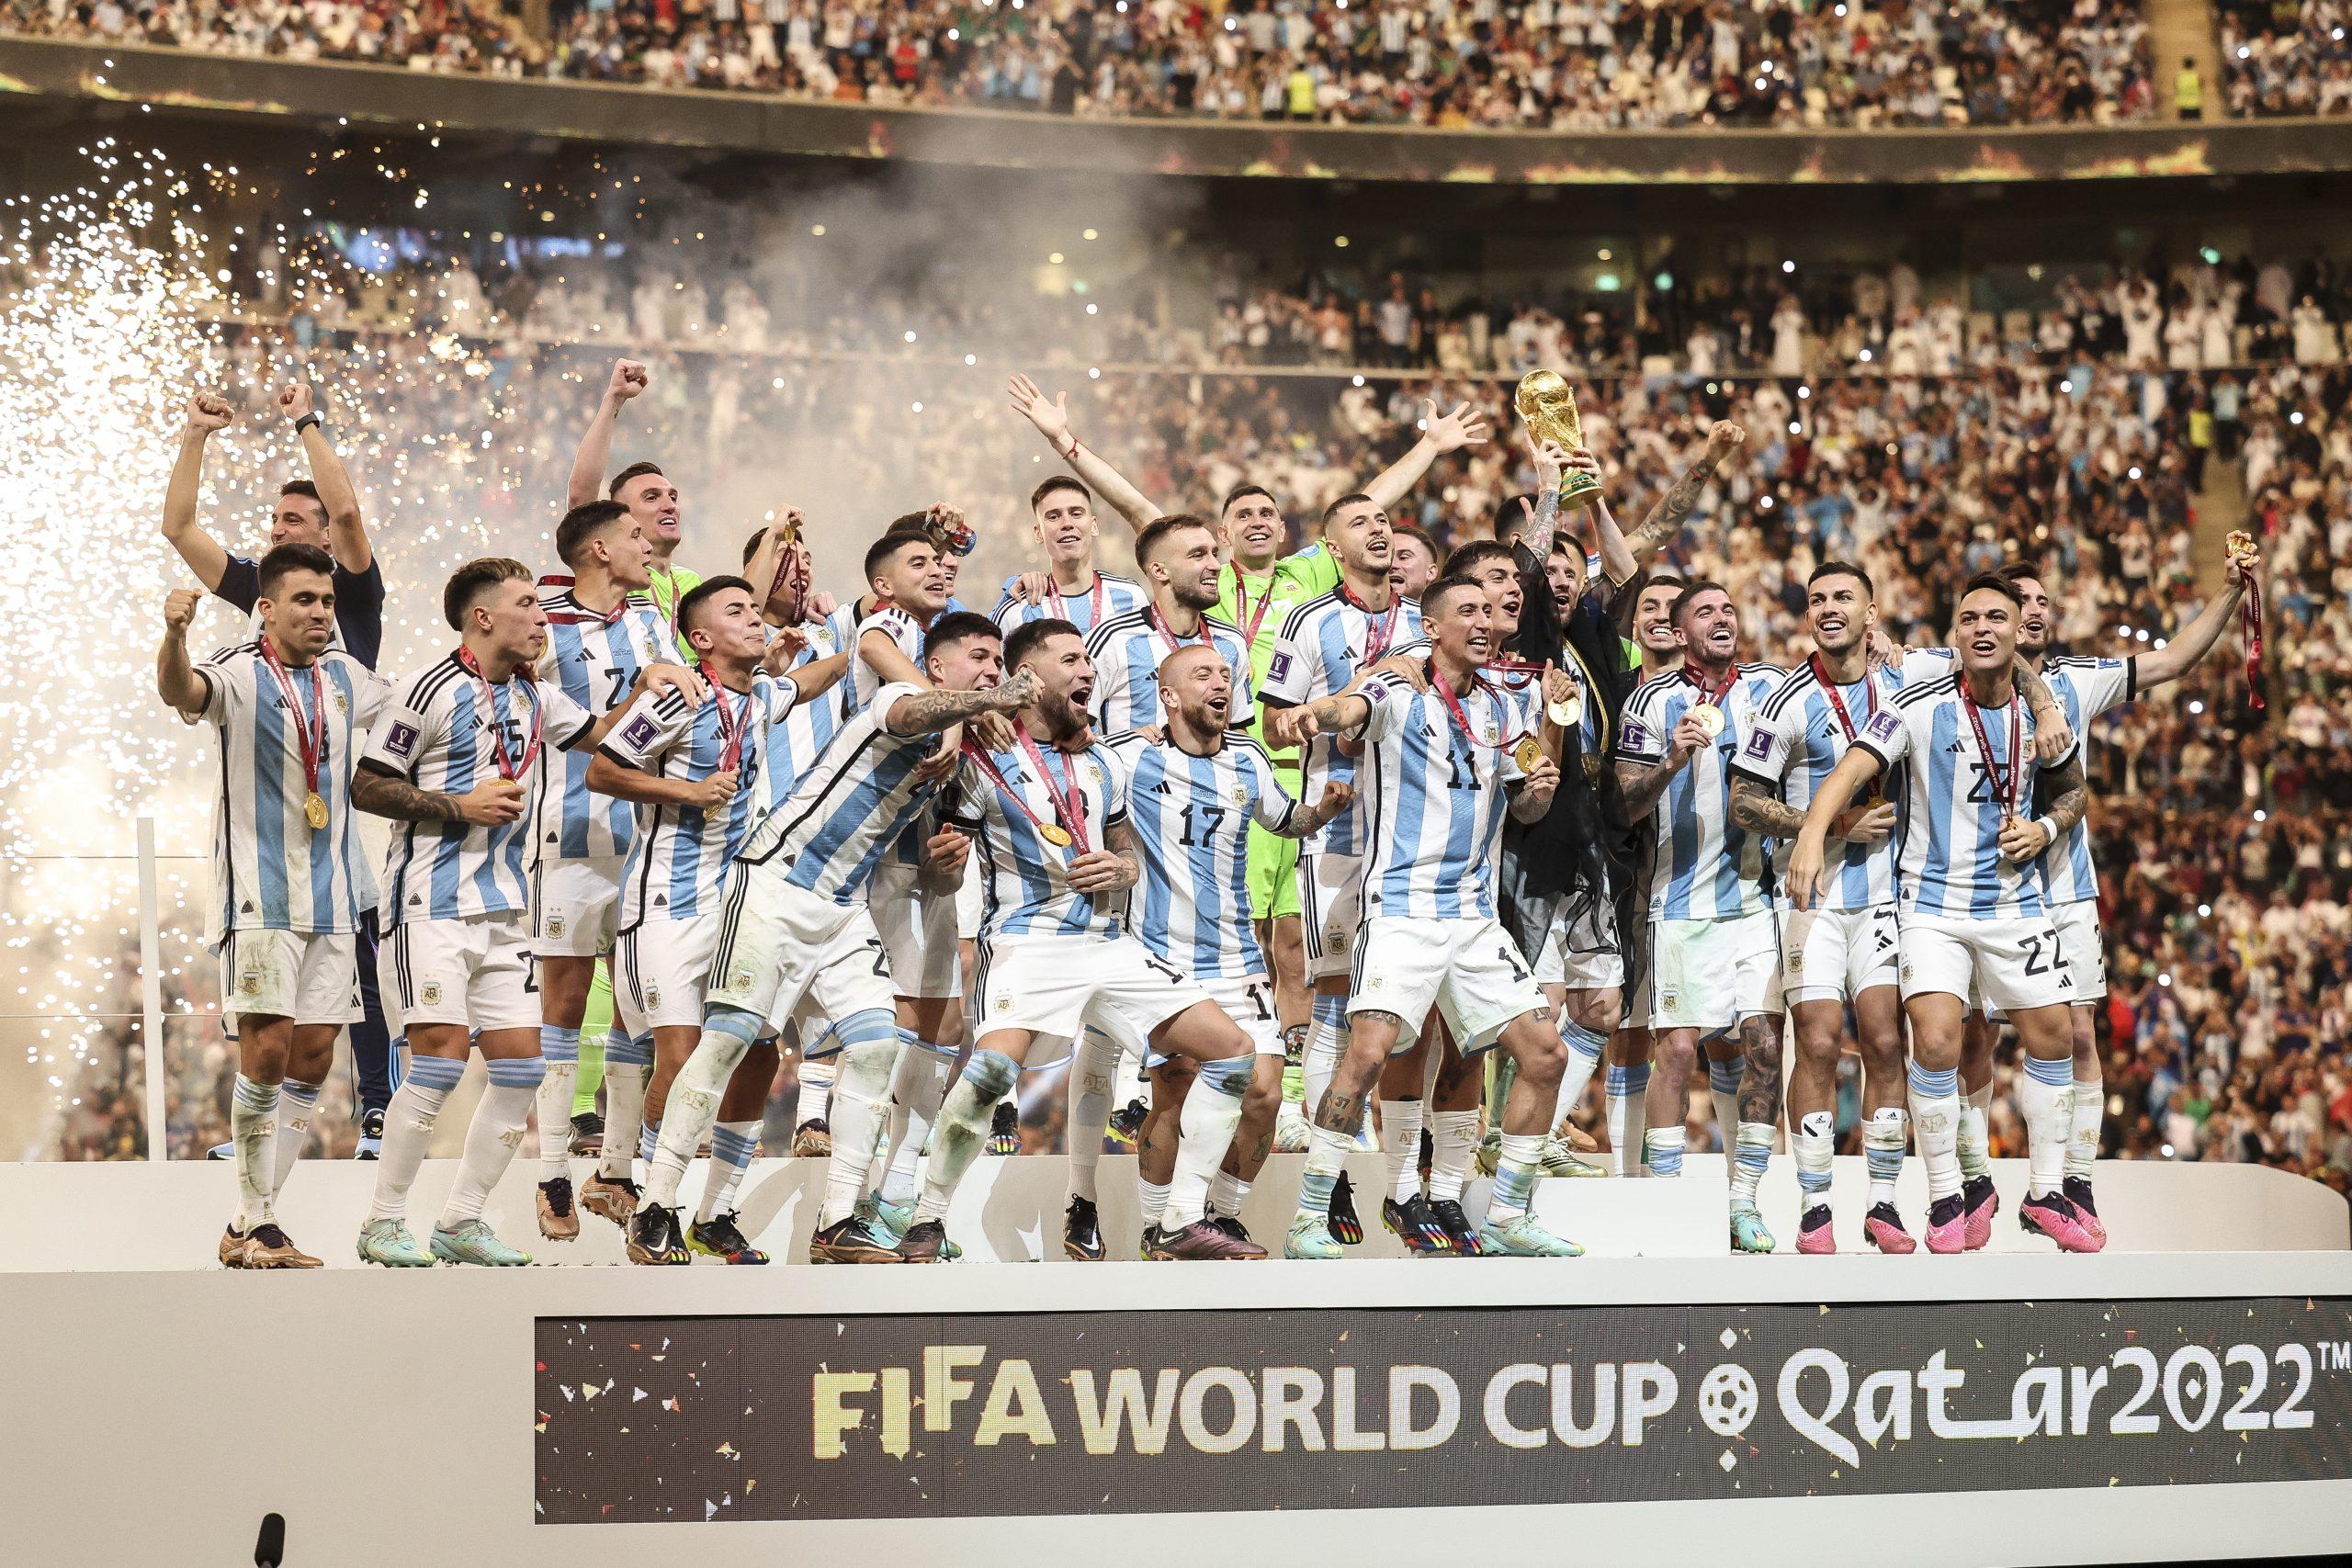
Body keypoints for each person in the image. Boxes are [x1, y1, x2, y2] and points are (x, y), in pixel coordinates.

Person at [1005, 375, 1489, 1099]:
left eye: (1271, 511)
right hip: (1203, 776)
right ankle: (1158, 1087)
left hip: (1283, 779)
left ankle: (1285, 1085)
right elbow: (1141, 513)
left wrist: (1431, 444)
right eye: (1242, 515)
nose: (1258, 521)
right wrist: (1062, 441)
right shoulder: (1215, 582)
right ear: (1220, 536)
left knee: (1292, 943)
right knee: (1202, 936)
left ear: (1297, 535)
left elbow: (1369, 511)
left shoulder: (1305, 576)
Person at [624, 613, 1032, 1265]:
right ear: (935, 667)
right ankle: (654, 1206)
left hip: (843, 908)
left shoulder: (955, 743)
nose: (992, 669)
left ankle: (838, 1219)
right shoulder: (898, 700)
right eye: (979, 657)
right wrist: (986, 700)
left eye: (998, 661)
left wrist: (945, 859)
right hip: (775, 887)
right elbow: (912, 704)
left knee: (874, 1049)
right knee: (726, 1044)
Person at [350, 558, 697, 1267]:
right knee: (442, 1064)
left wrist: (653, 686)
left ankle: (461, 1220)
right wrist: (458, 807)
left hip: (509, 908)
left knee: (521, 1069)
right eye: (526, 606)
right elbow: (367, 784)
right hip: (429, 904)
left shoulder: (535, 696)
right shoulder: (429, 688)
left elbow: (606, 735)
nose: (542, 618)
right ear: (483, 618)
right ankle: (382, 1220)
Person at [897, 620, 1263, 1263]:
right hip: (1028, 942)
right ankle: (927, 1220)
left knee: (1234, 1052)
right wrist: (943, 861)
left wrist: (1123, 870)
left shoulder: (1104, 762)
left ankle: (1179, 1219)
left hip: (1110, 944)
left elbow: (1127, 854)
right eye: (1073, 660)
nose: (1090, 672)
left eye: (1090, 660)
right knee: (987, 1071)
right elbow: (938, 869)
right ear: (1030, 676)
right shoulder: (979, 761)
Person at [1787, 573, 2098, 1254]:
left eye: (1995, 618)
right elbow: (1849, 768)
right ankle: (1946, 1194)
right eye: (1967, 619)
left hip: (2018, 904)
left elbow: (2074, 791)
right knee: (1933, 1042)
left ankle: (2046, 1191)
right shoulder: (1918, 704)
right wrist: (1813, 831)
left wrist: (2045, 829)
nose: (1981, 628)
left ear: (2019, 634)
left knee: (2056, 1036)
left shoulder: (2041, 714)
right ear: (1953, 635)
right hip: (1932, 908)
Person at [1266, 575, 1574, 1258]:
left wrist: (1541, 785)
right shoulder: (1395, 688)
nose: (1486, 621)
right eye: (1468, 610)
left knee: (1546, 1054)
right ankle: (1310, 1215)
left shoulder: (1507, 705)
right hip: (1401, 909)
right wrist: (1308, 715)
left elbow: (1526, 802)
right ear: (1431, 627)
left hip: (1472, 915)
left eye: (1490, 611)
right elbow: (1346, 709)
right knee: (1370, 1052)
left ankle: (1508, 1213)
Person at [161, 382, 398, 1151]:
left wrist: (305, 423)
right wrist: (195, 434)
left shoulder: (351, 593)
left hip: (335, 816)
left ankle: (376, 1112)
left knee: (353, 970)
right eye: (272, 520)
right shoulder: (266, 604)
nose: (275, 528)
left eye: (293, 520)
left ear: (329, 543)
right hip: (275, 817)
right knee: (285, 1007)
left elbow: (352, 516)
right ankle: (267, 1141)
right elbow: (180, 528)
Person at [586, 577, 849, 1264]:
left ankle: (716, 1212)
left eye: (756, 610)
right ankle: (649, 1204)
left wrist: (868, 640)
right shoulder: (675, 695)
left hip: (738, 905)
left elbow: (814, 681)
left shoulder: (761, 693)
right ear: (700, 638)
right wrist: (688, 791)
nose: (756, 620)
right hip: (665, 906)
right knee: (680, 1061)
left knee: (760, 1051)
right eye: (738, 612)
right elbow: (604, 771)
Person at [2002, 556, 2260, 1242]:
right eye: (2019, 598)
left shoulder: (2078, 680)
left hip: (2064, 889)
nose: (2034, 609)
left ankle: (2073, 1184)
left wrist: (2231, 590)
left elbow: (2174, 659)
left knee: (2081, 1032)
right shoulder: (1954, 678)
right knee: (1971, 1041)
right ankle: (1972, 1185)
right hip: (1978, 894)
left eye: (2042, 600)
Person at [156, 546, 388, 1268]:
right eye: (305, 601)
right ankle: (258, 1223)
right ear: (267, 607)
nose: (321, 612)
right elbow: (181, 693)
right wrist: (173, 637)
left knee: (315, 1058)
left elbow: (417, 713)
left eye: (325, 600)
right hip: (260, 897)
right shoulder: (236, 670)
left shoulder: (349, 677)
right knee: (266, 1049)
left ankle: (246, 1222)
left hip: (337, 897)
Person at [1095, 646, 1351, 1258]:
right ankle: (1159, 1230)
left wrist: (1320, 812)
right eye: (1202, 674)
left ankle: (1223, 1215)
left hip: (1236, 957)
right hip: (1161, 957)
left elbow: (1284, 820)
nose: (1221, 683)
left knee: (1263, 1092)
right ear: (1169, 695)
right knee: (1175, 1092)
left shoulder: (1248, 759)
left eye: (1226, 675)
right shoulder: (1132, 756)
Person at [1729, 563, 1950, 1253]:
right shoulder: (1789, 699)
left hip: (1890, 894)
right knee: (1819, 1040)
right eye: (1818, 598)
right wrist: (1825, 827)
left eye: (1842, 597)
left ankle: (1883, 1200)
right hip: (1813, 898)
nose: (1828, 608)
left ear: (1870, 611)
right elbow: (1743, 801)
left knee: (1886, 1039)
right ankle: (1816, 1205)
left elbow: (1999, 657)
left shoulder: (1908, 682)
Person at [1260, 493, 1429, 1245]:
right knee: (1334, 985)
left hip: (1417, 840)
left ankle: (1410, 1173)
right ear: (1331, 545)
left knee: (1402, 1002)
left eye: (1385, 520)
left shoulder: (1429, 622)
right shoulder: (1308, 621)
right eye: (1360, 522)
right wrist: (1329, 709)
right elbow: (1273, 718)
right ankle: (1330, 1138)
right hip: (1339, 830)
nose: (1380, 528)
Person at [1612, 581, 1788, 1251]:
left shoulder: (1771, 686)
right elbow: (1625, 805)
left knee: (1764, 1046)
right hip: (1679, 903)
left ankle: (1744, 1201)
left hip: (1753, 902)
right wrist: (1671, 761)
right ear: (1680, 632)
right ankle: (1664, 1199)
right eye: (1704, 611)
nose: (1722, 617)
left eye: (1727, 607)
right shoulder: (1652, 701)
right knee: (1679, 1049)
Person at [526, 500, 680, 1245]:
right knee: (561, 1003)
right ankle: (552, 1170)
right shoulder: (544, 620)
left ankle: (614, 1171)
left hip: (648, 837)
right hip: (567, 833)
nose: (646, 544)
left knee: (633, 1005)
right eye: (632, 535)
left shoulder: (653, 617)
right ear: (595, 548)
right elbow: (531, 709)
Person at [1084, 514, 1258, 735]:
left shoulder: (1231, 642)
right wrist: (1128, 743)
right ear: (1159, 571)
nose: (1215, 565)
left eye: (1214, 554)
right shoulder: (1112, 640)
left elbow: (1237, 731)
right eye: (1198, 555)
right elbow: (1075, 733)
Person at [566, 358, 700, 625]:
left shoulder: (691, 582)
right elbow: (581, 497)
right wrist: (614, 399)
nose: (670, 505)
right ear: (623, 520)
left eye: (672, 497)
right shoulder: (611, 572)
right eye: (651, 497)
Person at [990, 477, 1147, 637]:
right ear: (1038, 533)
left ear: (1093, 526)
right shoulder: (1019, 609)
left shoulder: (1131, 596)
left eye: (1076, 514)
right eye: (1053, 517)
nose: (1067, 523)